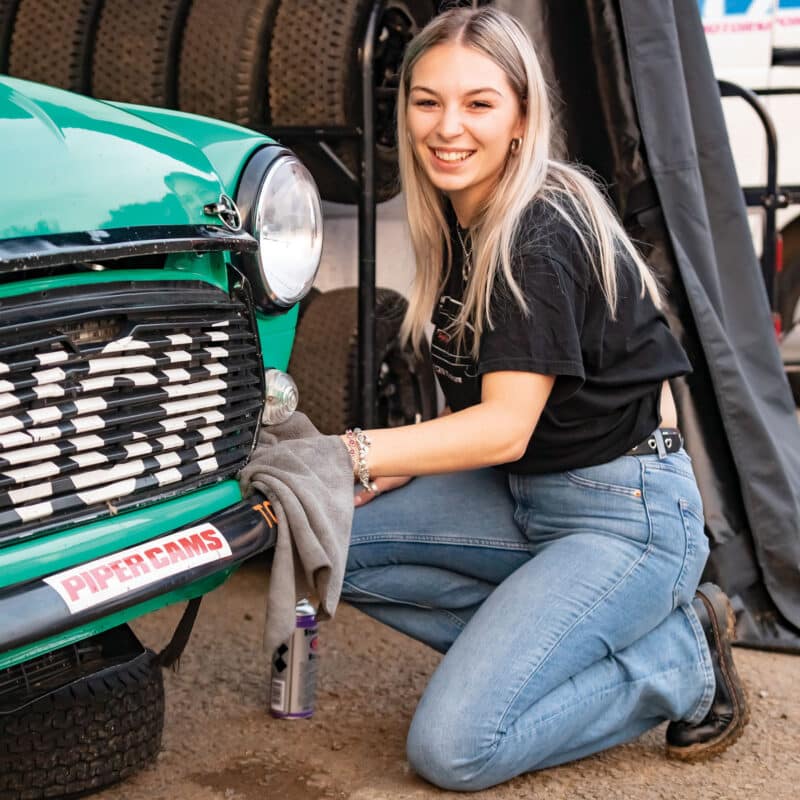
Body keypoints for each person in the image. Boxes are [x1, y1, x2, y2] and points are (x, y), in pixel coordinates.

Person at [337, 6, 749, 792]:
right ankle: (547, 641)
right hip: (522, 493)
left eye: (478, 103)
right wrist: (403, 463)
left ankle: (678, 656)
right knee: (330, 542)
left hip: (623, 514)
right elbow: (511, 403)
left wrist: (352, 452)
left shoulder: (538, 227)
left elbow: (504, 426)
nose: (446, 127)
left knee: (454, 749)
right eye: (427, 102)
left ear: (523, 117)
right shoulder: (461, 219)